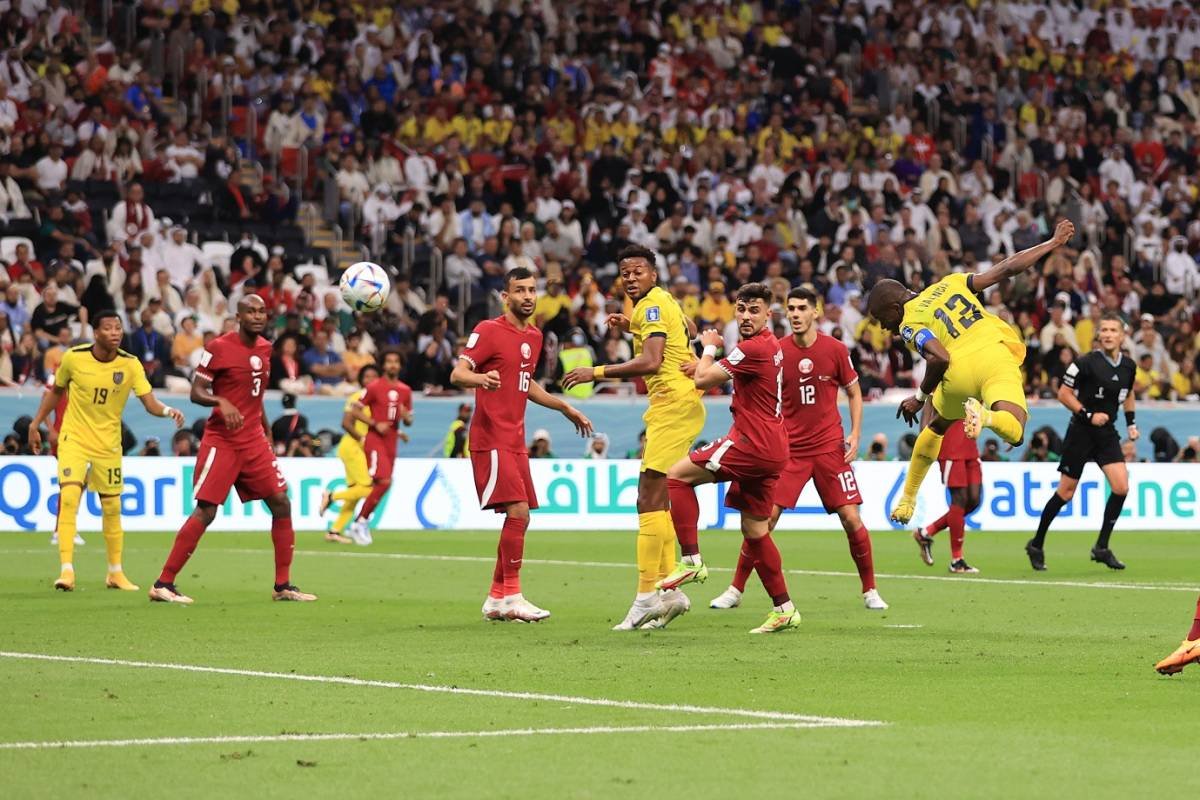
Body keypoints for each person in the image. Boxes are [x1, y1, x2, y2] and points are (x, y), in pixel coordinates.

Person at [867, 219, 1075, 524]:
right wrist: (1052, 243)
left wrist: (920, 397)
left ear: (894, 308)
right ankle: (987, 417)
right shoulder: (951, 282)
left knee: (935, 427)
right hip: (994, 353)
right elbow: (1005, 269)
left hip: (958, 372)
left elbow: (938, 357)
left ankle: (908, 499)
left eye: (882, 318)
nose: (884, 327)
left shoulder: (908, 322)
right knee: (1016, 431)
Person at [708, 286, 888, 611]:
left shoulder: (834, 350)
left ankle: (870, 590)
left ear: (815, 312)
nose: (795, 314)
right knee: (764, 521)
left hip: (829, 448)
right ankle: (735, 589)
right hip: (788, 450)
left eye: (802, 308)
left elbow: (854, 392)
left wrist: (856, 433)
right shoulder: (776, 351)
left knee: (850, 516)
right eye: (790, 308)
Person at [562, 245, 706, 632]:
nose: (630, 277)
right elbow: (689, 331)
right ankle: (670, 592)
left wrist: (596, 372)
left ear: (653, 275)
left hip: (673, 404)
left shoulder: (651, 306)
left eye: (638, 271)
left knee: (648, 495)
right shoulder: (661, 302)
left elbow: (652, 361)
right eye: (625, 272)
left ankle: (646, 597)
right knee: (656, 498)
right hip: (675, 404)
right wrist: (633, 327)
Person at [149, 295, 315, 604]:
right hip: (223, 440)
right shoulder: (219, 348)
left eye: (261, 310)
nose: (257, 315)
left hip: (253, 439)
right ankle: (163, 583)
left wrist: (265, 432)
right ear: (238, 316)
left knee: (281, 502)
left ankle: (283, 585)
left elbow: (256, 395)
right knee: (207, 509)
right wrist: (220, 401)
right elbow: (197, 393)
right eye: (250, 311)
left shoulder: (266, 348)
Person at [656, 282, 799, 634]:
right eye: (741, 309)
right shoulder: (770, 346)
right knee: (755, 530)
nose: (746, 316)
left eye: (754, 310)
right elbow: (713, 374)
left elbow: (704, 378)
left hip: (753, 442)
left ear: (769, 314)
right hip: (773, 446)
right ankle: (784, 608)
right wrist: (705, 362)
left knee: (676, 476)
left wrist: (707, 348)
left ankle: (691, 559)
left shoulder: (753, 348)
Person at [451, 267, 593, 622]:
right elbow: (458, 373)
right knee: (519, 513)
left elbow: (525, 384)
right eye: (520, 290)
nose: (528, 296)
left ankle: (497, 598)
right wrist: (481, 378)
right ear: (505, 296)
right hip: (491, 437)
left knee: (519, 517)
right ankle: (512, 595)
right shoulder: (487, 330)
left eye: (532, 290)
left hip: (515, 440)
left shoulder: (534, 335)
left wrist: (564, 406)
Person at [28, 309, 184, 592]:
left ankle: (115, 573)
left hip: (108, 444)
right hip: (74, 438)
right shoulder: (74, 357)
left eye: (118, 328)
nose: (115, 333)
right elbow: (56, 391)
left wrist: (167, 410)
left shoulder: (130, 364)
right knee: (70, 496)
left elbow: (149, 402)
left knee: (112, 507)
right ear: (96, 332)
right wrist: (36, 423)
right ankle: (67, 571)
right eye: (109, 328)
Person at [1026, 313, 1137, 572]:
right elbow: (1063, 393)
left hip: (1107, 432)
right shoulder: (1085, 363)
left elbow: (1128, 393)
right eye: (1104, 330)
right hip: (1081, 432)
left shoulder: (1129, 366)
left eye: (1113, 330)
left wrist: (1131, 423)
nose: (1108, 334)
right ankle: (1036, 543)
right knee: (1065, 493)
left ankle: (1101, 547)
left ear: (1122, 335)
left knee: (1121, 488)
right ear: (1098, 335)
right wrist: (1087, 414)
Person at [348, 349, 413, 545]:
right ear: (383, 365)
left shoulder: (405, 390)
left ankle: (361, 521)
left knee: (384, 483)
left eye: (396, 361)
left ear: (400, 365)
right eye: (389, 361)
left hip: (391, 441)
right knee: (384, 481)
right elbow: (354, 410)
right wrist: (375, 423)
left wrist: (406, 417)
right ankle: (359, 522)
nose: (392, 365)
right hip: (375, 440)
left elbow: (409, 419)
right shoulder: (375, 387)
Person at [320, 364, 383, 544]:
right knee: (367, 488)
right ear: (361, 380)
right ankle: (331, 497)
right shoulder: (358, 397)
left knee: (354, 493)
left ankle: (334, 531)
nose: (370, 380)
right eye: (367, 377)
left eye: (374, 377)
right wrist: (363, 439)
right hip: (352, 446)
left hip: (360, 449)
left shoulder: (377, 399)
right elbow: (346, 423)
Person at [912, 419, 982, 573]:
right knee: (960, 500)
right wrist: (925, 440)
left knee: (974, 500)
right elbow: (928, 406)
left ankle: (924, 533)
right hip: (951, 445)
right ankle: (957, 560)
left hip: (970, 444)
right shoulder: (936, 393)